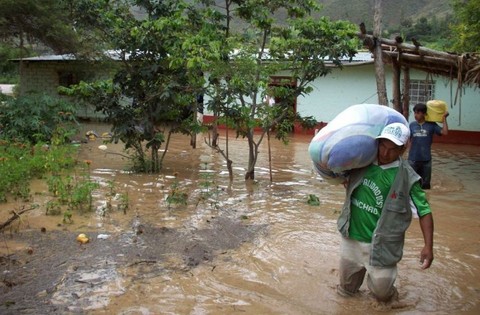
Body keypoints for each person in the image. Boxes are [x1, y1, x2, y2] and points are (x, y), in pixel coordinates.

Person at [336, 122, 434, 303]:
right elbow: (333, 168)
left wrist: (428, 246)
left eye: (392, 149)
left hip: (382, 247)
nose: (384, 153)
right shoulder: (361, 162)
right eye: (382, 145)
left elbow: (424, 211)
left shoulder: (408, 178)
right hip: (352, 238)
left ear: (403, 149)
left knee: (382, 296)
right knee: (346, 290)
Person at [408, 103, 449, 189]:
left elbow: (445, 132)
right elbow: (407, 140)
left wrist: (444, 119)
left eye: (418, 113)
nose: (416, 115)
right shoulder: (411, 125)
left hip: (426, 161)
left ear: (424, 114)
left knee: (426, 186)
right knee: (411, 185)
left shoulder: (431, 125)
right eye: (415, 113)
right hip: (412, 160)